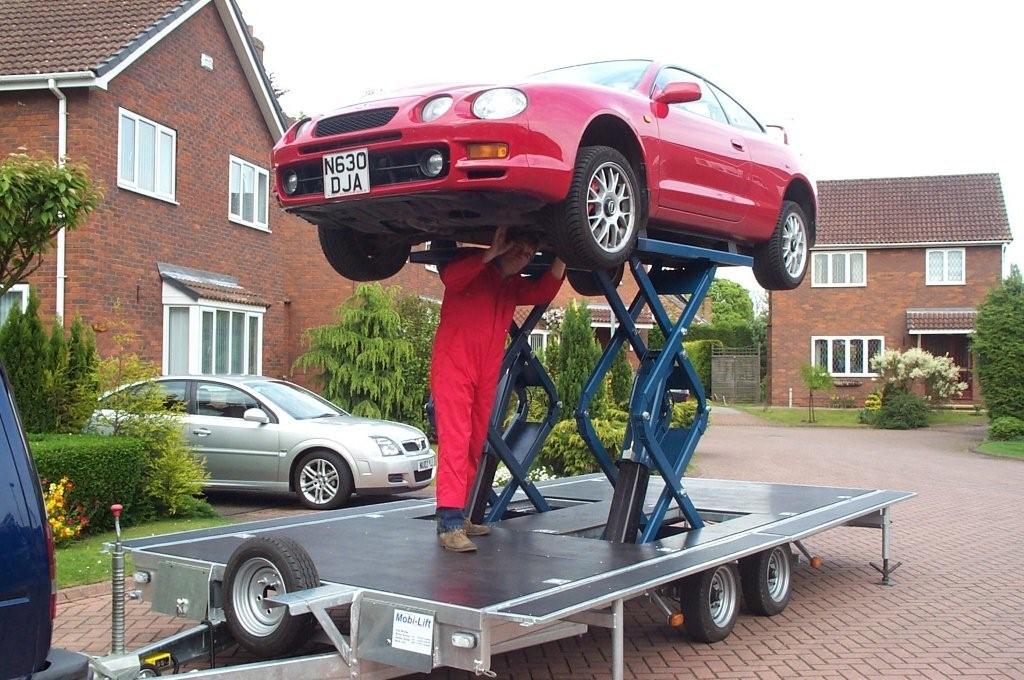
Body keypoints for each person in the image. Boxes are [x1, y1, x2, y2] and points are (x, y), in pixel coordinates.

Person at [431, 226, 565, 552]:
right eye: (518, 248)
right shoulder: (473, 271)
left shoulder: (511, 287)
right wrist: (490, 253)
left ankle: (459, 516)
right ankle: (448, 523)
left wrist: (566, 251)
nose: (522, 256)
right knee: (457, 440)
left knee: (475, 442)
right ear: (505, 245)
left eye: (529, 254)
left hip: (485, 373)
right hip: (454, 369)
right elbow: (450, 278)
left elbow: (544, 291)